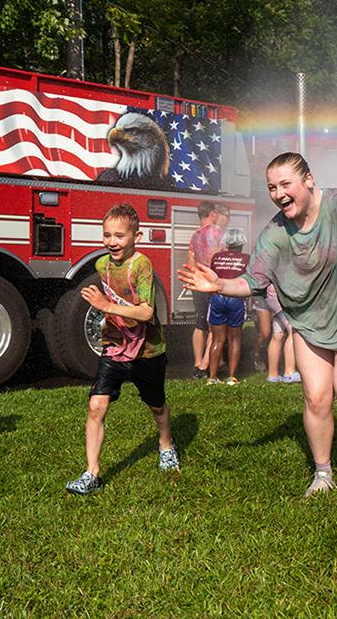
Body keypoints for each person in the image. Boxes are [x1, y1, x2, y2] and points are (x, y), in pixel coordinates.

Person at [179, 150, 337, 496]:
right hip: (309, 320)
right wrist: (220, 285)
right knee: (316, 398)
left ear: (308, 180)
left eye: (285, 184)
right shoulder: (275, 233)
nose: (278, 193)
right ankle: (323, 473)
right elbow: (254, 281)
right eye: (271, 187)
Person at [66, 204, 179, 495]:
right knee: (96, 406)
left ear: (136, 237)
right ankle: (92, 473)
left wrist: (105, 306)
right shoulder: (101, 265)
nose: (112, 242)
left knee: (156, 405)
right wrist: (110, 319)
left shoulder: (142, 266)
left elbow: (146, 312)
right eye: (106, 235)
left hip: (148, 349)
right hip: (115, 345)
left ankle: (166, 444)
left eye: (119, 236)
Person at [188, 201, 229, 377]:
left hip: (197, 282)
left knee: (200, 324)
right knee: (214, 326)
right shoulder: (217, 232)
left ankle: (198, 362)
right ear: (212, 214)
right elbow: (222, 257)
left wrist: (195, 277)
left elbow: (190, 258)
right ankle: (205, 366)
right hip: (211, 284)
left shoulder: (195, 235)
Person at [206, 228, 250, 386]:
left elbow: (212, 277)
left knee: (217, 339)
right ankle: (231, 377)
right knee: (235, 339)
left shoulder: (216, 257)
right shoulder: (246, 259)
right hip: (236, 298)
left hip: (217, 297)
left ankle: (212, 377)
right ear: (241, 243)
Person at [265, 284, 300, 384]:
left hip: (271, 295)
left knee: (278, 334)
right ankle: (289, 373)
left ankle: (273, 375)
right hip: (280, 295)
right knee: (293, 331)